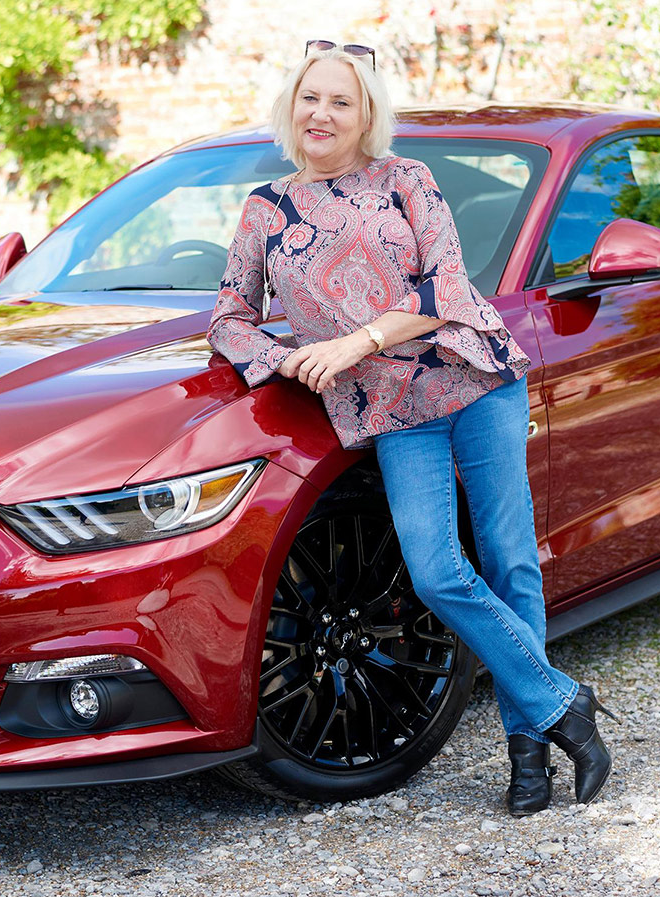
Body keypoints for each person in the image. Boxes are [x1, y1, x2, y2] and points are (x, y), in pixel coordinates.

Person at [206, 40, 617, 815]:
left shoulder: (406, 180)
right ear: (291, 107)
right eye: (310, 98)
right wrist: (285, 359)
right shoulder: (267, 206)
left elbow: (446, 289)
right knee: (435, 570)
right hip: (392, 411)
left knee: (508, 561)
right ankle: (564, 705)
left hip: (472, 378)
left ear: (367, 118)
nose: (321, 114)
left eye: (341, 102)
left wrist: (350, 343)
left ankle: (527, 758)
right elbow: (228, 318)